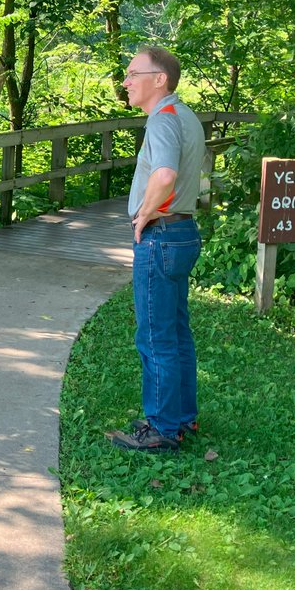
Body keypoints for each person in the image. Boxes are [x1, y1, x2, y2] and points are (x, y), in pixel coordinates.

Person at [105, 46, 205, 454]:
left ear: (158, 79)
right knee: (177, 333)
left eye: (132, 74)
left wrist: (143, 215)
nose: (125, 82)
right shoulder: (185, 116)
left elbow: (164, 175)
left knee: (154, 336)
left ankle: (161, 429)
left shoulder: (163, 120)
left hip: (161, 235)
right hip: (183, 234)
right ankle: (181, 417)